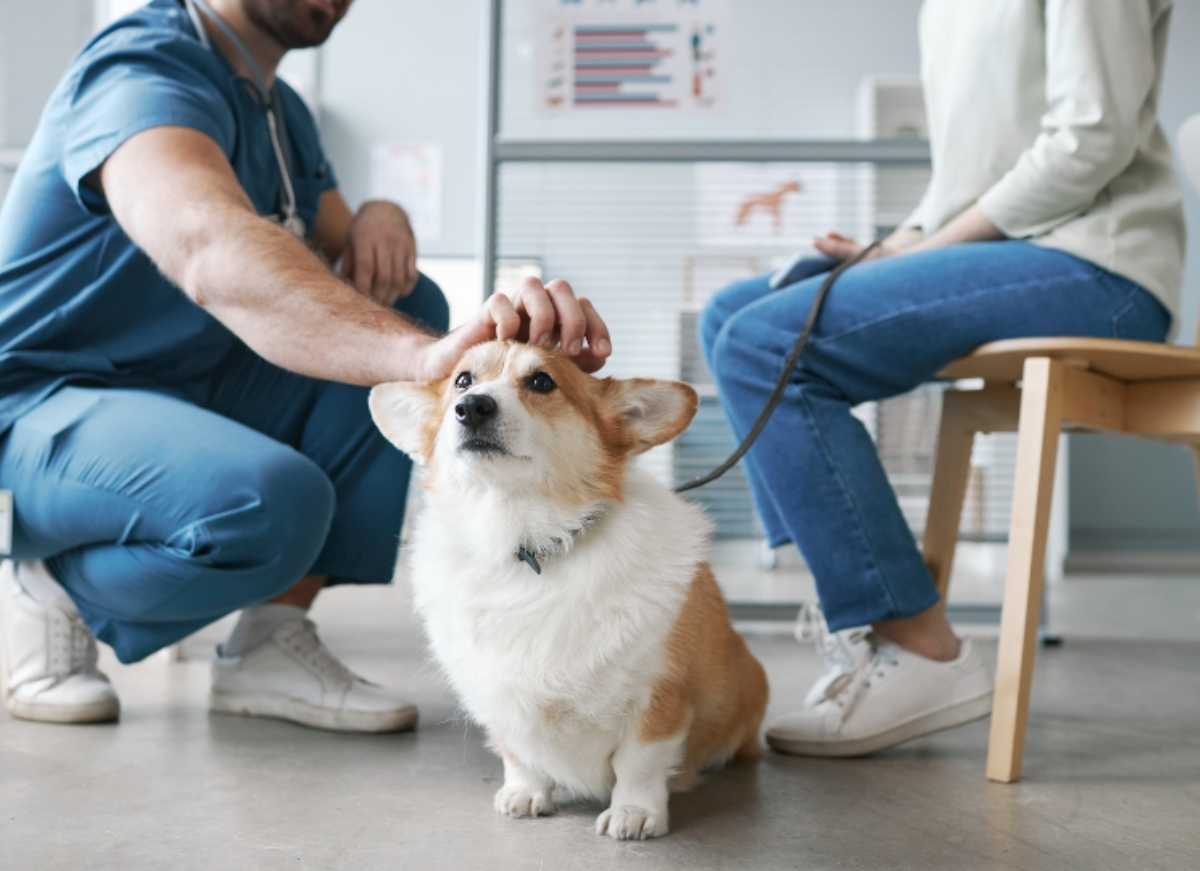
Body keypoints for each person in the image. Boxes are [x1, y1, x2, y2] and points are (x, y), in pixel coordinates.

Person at [0, 0, 611, 730]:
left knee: (404, 295)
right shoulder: (141, 71)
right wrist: (427, 359)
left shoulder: (278, 110)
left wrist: (384, 214)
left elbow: (339, 240)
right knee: (271, 502)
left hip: (187, 390)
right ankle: (48, 589)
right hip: (46, 400)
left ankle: (268, 639)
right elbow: (207, 247)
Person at [701, 0, 1183, 757]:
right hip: (1015, 255)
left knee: (765, 343)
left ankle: (919, 645)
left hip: (1099, 263)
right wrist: (894, 246)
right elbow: (967, 181)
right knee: (731, 312)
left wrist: (922, 256)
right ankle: (860, 614)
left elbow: (1093, 137)